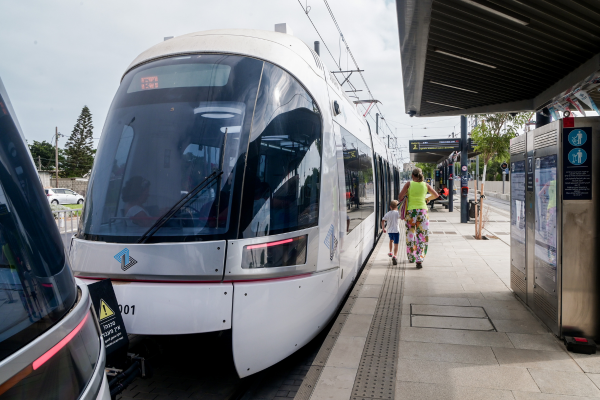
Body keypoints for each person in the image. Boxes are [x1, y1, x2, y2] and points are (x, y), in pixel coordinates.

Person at [398, 168, 439, 269]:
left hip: (411, 213)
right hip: (423, 213)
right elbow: (436, 195)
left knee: (410, 235)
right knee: (422, 237)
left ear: (412, 175)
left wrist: (408, 195)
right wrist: (427, 199)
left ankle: (411, 257)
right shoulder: (426, 185)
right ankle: (419, 259)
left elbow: (400, 197)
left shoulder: (409, 184)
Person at [381, 200, 400, 265]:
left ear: (390, 207)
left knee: (391, 240)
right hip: (396, 231)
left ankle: (390, 252)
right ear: (397, 207)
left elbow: (383, 220)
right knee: (396, 244)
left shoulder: (388, 213)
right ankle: (395, 255)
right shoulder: (397, 213)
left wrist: (383, 228)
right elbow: (402, 218)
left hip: (389, 231)